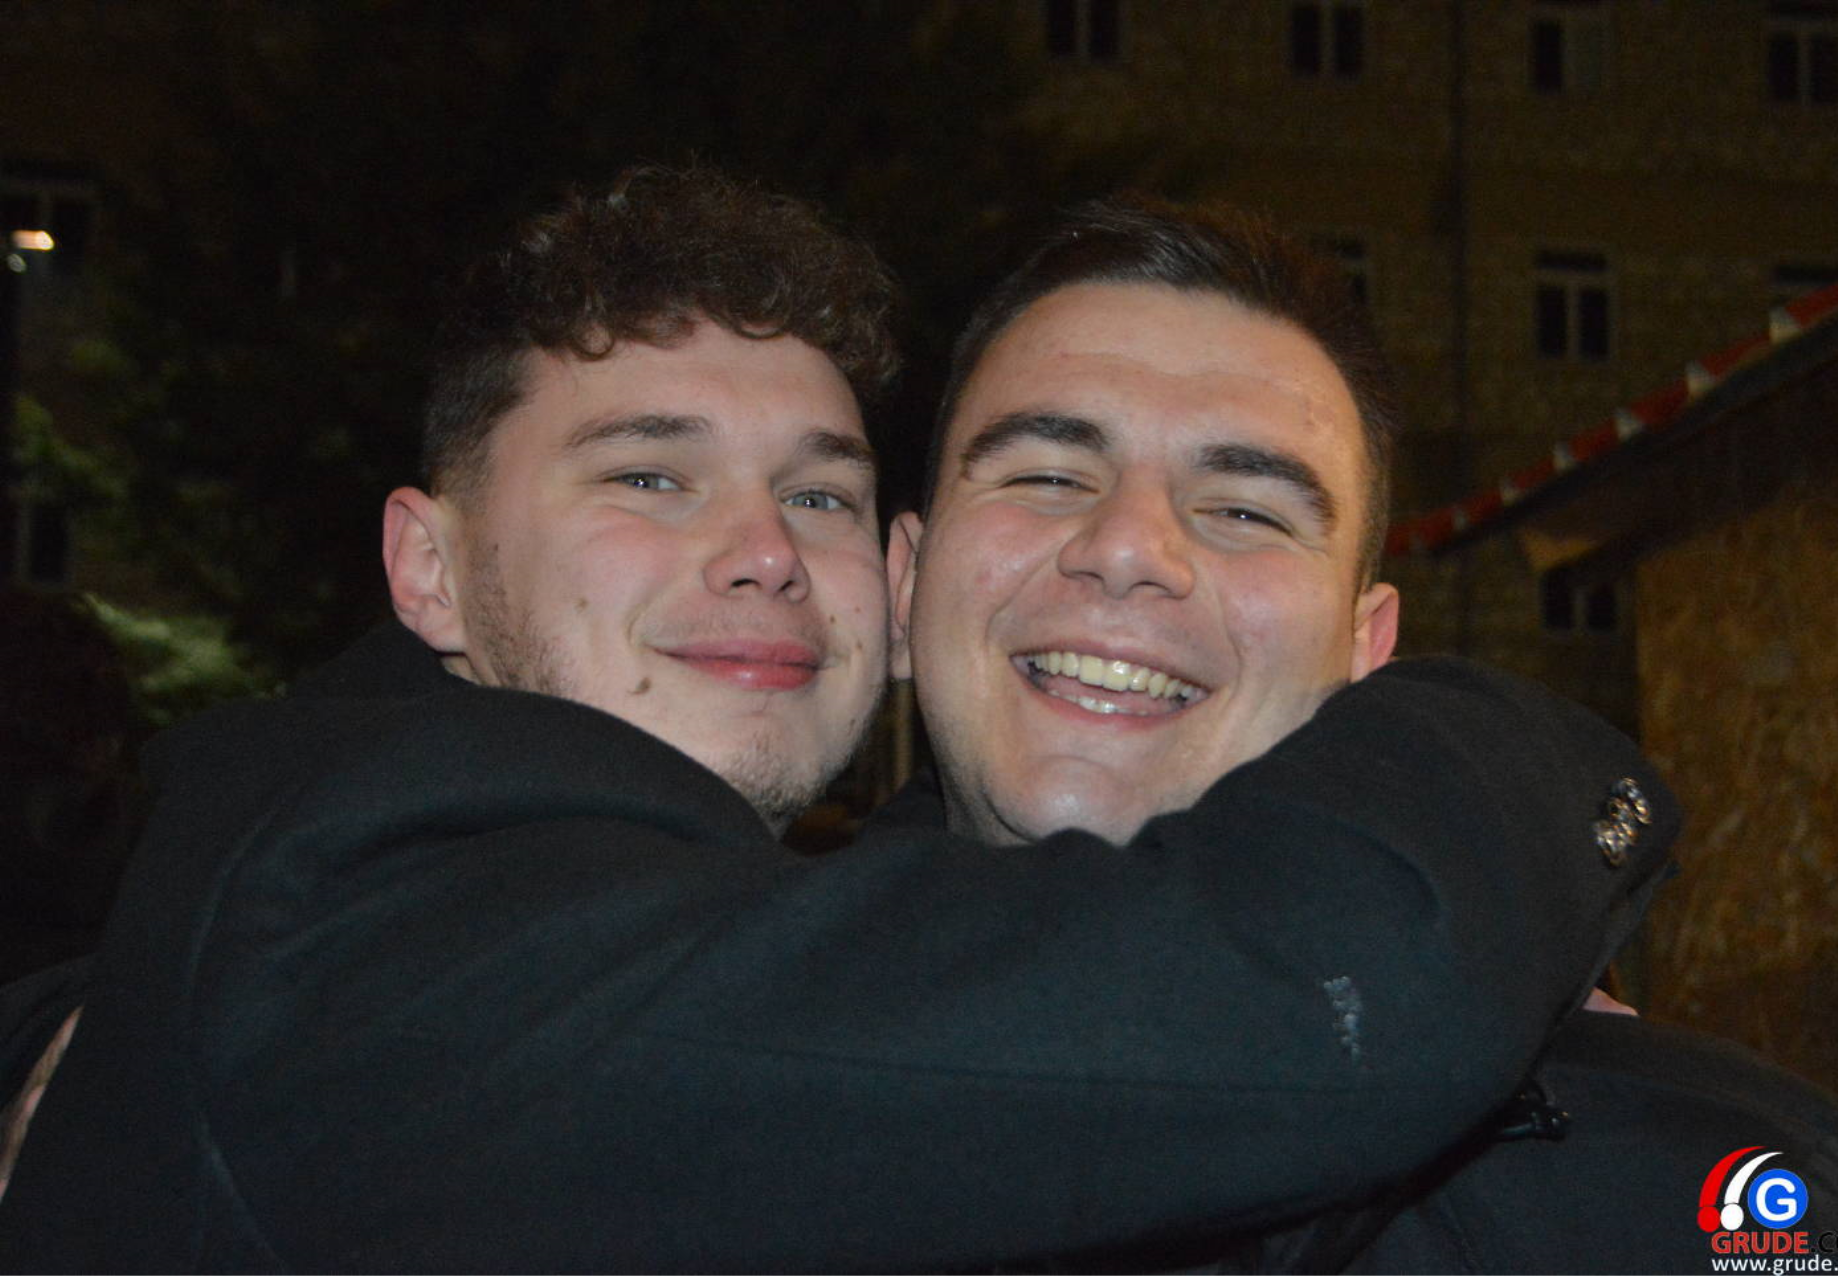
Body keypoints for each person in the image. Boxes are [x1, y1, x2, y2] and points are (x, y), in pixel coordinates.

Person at [1, 165, 1676, 1274]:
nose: (764, 555)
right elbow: (1305, 1008)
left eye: (817, 493)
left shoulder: (1691, 1173)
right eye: (649, 475)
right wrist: (1542, 788)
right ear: (426, 569)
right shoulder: (364, 922)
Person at [881, 193, 1838, 1272]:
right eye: (1048, 475)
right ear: (904, 586)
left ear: (1362, 651)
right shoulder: (752, 1120)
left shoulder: (1718, 1200)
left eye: (1245, 510)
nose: (1128, 546)